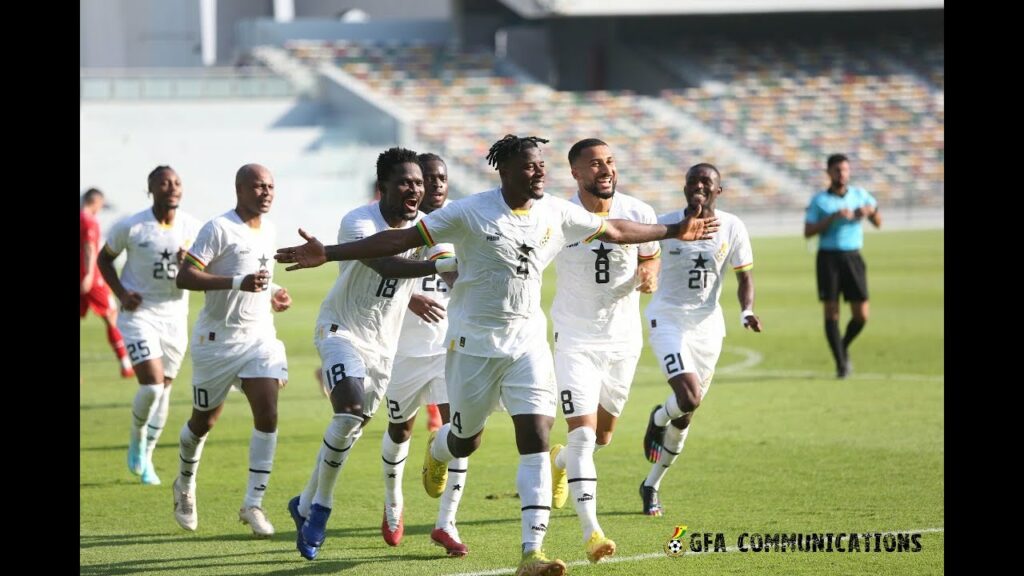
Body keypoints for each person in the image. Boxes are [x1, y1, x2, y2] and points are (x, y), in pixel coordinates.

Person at [276, 134, 719, 575]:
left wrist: (675, 229)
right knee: (466, 439)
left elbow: (619, 230)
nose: (539, 171)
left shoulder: (556, 212)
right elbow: (398, 242)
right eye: (529, 166)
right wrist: (329, 253)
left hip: (528, 344)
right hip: (473, 346)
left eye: (542, 165)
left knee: (537, 438)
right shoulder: (469, 211)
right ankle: (439, 449)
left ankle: (533, 552)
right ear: (504, 172)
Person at [286, 148, 456, 561]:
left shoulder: (427, 226)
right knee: (347, 410)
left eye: (418, 182)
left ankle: (304, 503)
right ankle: (321, 507)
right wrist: (438, 268)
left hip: (384, 346)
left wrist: (456, 269)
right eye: (405, 182)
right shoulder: (359, 221)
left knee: (350, 430)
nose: (414, 188)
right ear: (383, 187)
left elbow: (445, 261)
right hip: (340, 329)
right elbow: (385, 264)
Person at [548, 139, 660, 561]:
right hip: (574, 338)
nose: (605, 169)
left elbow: (651, 256)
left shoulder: (639, 212)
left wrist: (649, 273)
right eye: (595, 164)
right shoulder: (561, 217)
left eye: (610, 161)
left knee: (603, 437)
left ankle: (560, 462)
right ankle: (592, 532)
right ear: (576, 173)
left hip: (623, 340)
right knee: (582, 435)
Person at [171, 163, 293, 537]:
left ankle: (253, 503)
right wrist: (239, 282)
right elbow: (186, 275)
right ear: (240, 189)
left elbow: (259, 276)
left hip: (258, 337)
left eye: (270, 186)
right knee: (203, 421)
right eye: (259, 186)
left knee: (268, 410)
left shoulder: (269, 230)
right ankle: (185, 483)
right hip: (217, 340)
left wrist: (274, 293)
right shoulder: (218, 228)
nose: (267, 192)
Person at [639, 163, 762, 517]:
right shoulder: (666, 225)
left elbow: (744, 276)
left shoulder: (733, 227)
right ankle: (659, 416)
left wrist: (746, 311)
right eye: (692, 180)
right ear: (685, 187)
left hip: (708, 327)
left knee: (686, 415)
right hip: (668, 319)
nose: (698, 185)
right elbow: (638, 257)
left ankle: (651, 484)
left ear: (718, 191)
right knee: (688, 395)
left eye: (706, 181)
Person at [378, 152, 467, 556]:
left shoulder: (462, 222)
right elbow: (377, 267)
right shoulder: (400, 226)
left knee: (462, 433)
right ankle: (393, 501)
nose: (435, 185)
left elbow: (460, 271)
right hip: (403, 350)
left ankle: (447, 523)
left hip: (450, 348)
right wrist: (410, 295)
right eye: (427, 178)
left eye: (441, 178)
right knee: (400, 429)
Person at [96, 166, 202, 486]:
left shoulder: (193, 227)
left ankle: (148, 456)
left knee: (165, 389)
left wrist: (192, 262)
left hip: (174, 317)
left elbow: (206, 267)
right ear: (151, 189)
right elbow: (104, 259)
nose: (172, 187)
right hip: (139, 315)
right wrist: (121, 293)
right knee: (152, 384)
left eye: (177, 182)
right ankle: (136, 439)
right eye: (165, 182)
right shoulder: (132, 226)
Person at [803, 153, 881, 378]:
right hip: (828, 259)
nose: (842, 174)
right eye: (837, 170)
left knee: (861, 315)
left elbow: (879, 223)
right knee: (832, 312)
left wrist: (871, 212)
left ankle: (842, 347)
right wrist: (833, 217)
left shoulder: (860, 195)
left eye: (845, 170)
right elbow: (808, 232)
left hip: (853, 257)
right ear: (829, 173)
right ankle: (841, 363)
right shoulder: (820, 200)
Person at [80, 188, 134, 379]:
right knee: (111, 316)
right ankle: (126, 364)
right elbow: (89, 248)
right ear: (96, 202)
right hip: (92, 279)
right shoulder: (89, 221)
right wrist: (87, 276)